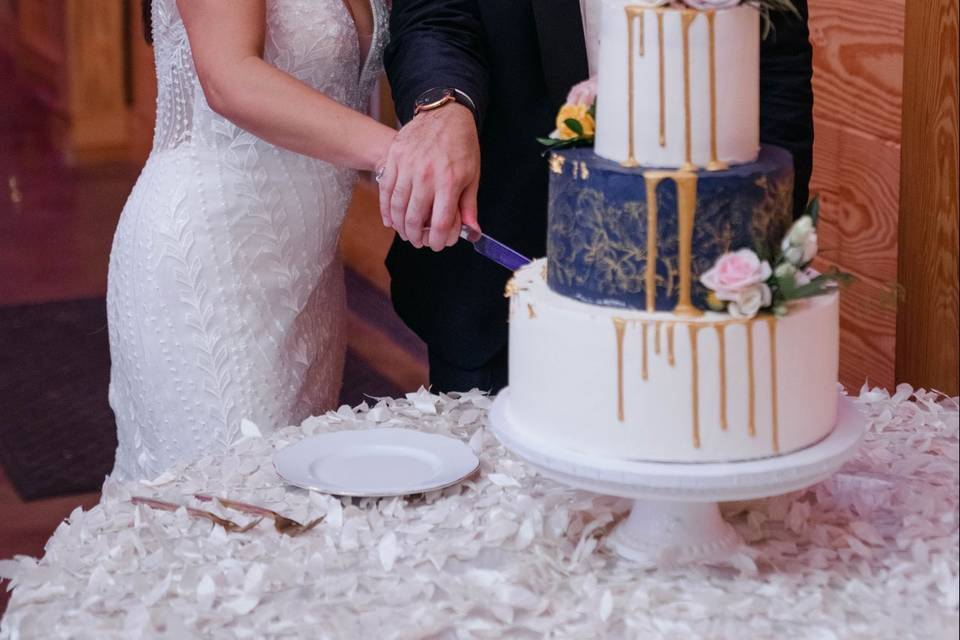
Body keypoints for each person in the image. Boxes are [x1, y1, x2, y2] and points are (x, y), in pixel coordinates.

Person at [379, 0, 814, 394]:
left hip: (712, 293)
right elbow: (436, 17)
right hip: (502, 283)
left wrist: (756, 262)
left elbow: (775, 68)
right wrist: (446, 104)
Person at [107, 0, 401, 481]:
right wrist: (399, 155)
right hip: (207, 269)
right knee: (232, 514)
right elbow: (230, 78)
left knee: (292, 522)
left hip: (307, 277)